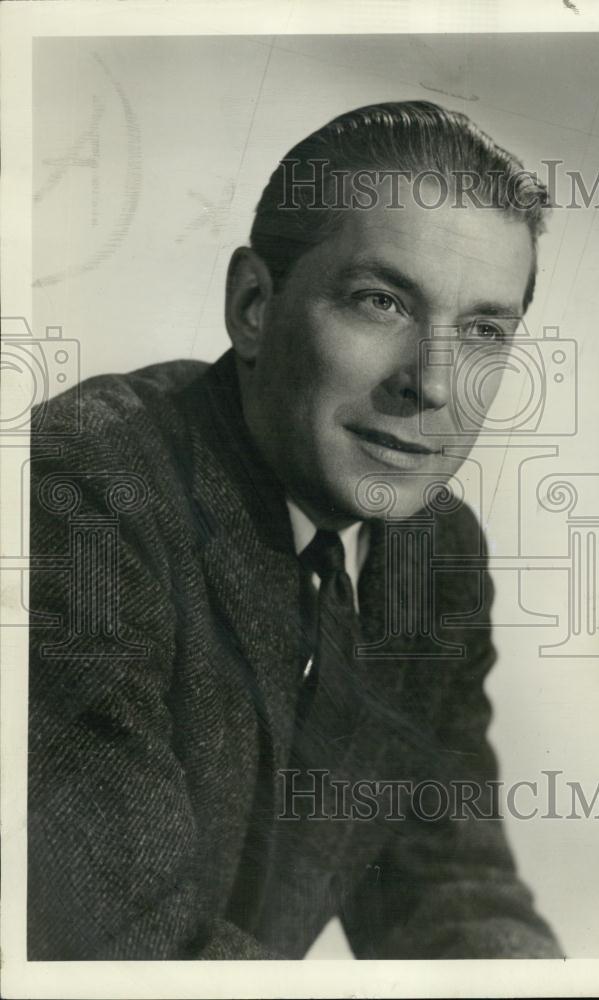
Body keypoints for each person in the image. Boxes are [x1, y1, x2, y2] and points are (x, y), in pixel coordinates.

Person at [26, 101, 563, 960]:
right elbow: (127, 950)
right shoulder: (87, 492)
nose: (431, 382)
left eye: (483, 332)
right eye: (381, 301)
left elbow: (449, 889)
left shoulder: (433, 553)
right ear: (252, 305)